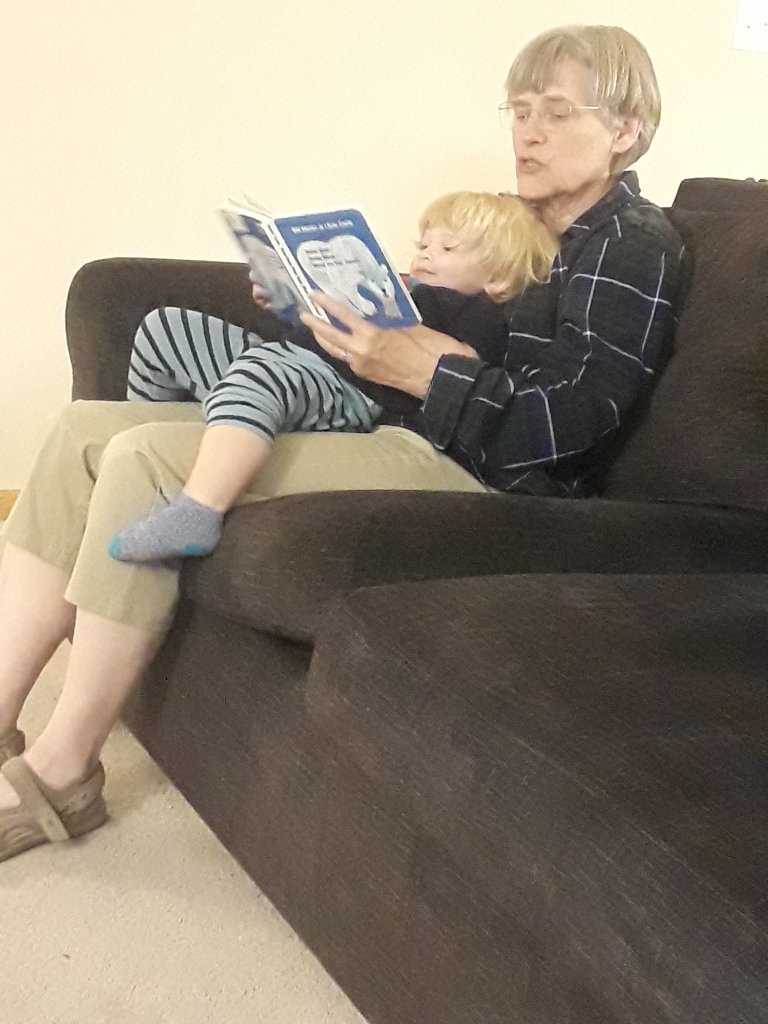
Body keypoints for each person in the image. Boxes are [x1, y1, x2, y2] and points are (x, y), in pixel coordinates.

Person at [0, 24, 685, 862]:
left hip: (480, 476)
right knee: (80, 431)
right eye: (518, 110)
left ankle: (63, 770)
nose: (528, 132)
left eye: (555, 112)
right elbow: (443, 330)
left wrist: (426, 372)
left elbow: (574, 422)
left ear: (625, 128)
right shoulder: (515, 225)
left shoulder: (630, 241)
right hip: (399, 419)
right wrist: (322, 305)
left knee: (145, 458)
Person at [110, 191, 556, 562]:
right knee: (164, 327)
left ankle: (197, 508)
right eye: (423, 243)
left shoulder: (474, 311)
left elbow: (464, 366)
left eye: (448, 249)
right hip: (295, 361)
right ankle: (171, 434)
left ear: (498, 278)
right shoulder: (400, 289)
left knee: (260, 373)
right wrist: (287, 297)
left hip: (348, 390)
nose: (424, 254)